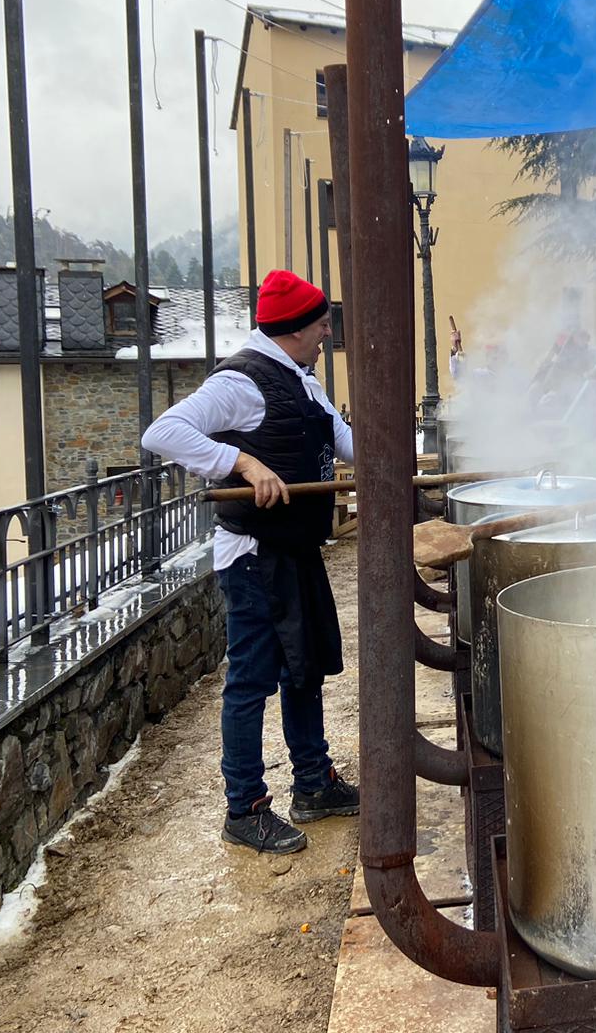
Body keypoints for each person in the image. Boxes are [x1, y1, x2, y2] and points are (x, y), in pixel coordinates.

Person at [142, 270, 358, 855]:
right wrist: (239, 461)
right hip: (255, 557)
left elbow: (349, 445)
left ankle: (313, 783)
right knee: (251, 681)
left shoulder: (301, 380)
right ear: (294, 329)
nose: (326, 334)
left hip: (296, 548)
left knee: (305, 668)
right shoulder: (242, 382)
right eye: (320, 324)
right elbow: (163, 432)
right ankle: (244, 807)